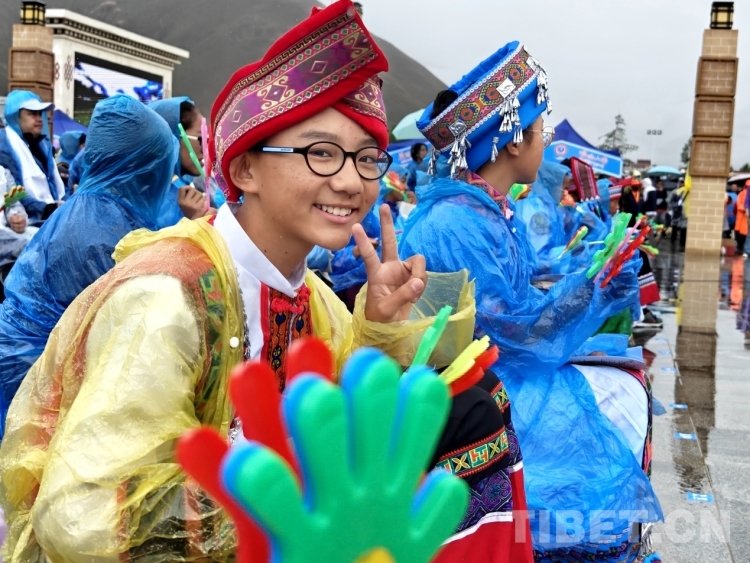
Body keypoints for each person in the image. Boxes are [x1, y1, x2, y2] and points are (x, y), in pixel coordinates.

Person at [0, 3, 470, 560]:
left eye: (367, 158)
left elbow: (337, 423)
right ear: (245, 169)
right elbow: (83, 513)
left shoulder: (314, 297)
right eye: (322, 153)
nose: (351, 181)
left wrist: (377, 331)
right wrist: (277, 500)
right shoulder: (167, 299)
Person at [401, 41, 660, 561]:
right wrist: (591, 289)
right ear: (512, 140)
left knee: (627, 382)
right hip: (474, 386)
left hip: (496, 367)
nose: (546, 144)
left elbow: (514, 309)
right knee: (625, 399)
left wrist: (590, 278)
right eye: (542, 131)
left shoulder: (482, 211)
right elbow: (517, 333)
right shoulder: (457, 221)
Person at [0, 95, 178, 437]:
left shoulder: (87, 209)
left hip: (21, 368)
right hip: (31, 383)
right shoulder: (108, 234)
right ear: (144, 167)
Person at [1, 91, 65, 223]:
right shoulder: (4, 143)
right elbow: (12, 190)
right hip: (26, 223)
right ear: (15, 116)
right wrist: (47, 209)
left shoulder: (42, 144)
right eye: (32, 113)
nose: (39, 118)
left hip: (53, 218)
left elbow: (54, 185)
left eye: (40, 113)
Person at [149, 97, 213, 226]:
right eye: (200, 139)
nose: (206, 148)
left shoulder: (179, 188)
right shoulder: (155, 203)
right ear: (172, 138)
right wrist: (193, 225)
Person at [56, 131, 86, 197]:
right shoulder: (63, 166)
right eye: (83, 146)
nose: (84, 150)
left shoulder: (79, 163)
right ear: (73, 145)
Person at [736, 181, 748, 257]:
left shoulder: (742, 193)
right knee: (741, 234)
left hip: (745, 217)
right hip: (742, 217)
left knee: (745, 234)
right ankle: (740, 248)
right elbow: (739, 204)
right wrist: (745, 209)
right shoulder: (741, 194)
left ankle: (742, 248)